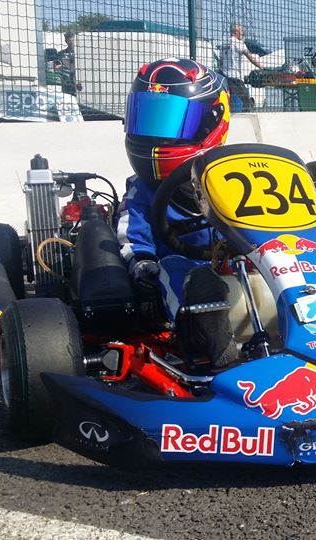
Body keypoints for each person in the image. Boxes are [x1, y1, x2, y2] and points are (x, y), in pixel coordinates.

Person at [118, 58, 239, 368]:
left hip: (235, 259)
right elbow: (132, 232)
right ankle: (208, 341)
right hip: (178, 266)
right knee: (181, 272)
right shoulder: (142, 188)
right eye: (147, 120)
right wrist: (141, 261)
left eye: (171, 122)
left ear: (212, 121)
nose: (155, 137)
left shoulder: (232, 177)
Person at [218, 22, 264, 112]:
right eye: (241, 31)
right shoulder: (239, 43)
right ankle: (247, 116)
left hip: (224, 76)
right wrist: (262, 67)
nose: (243, 33)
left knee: (227, 99)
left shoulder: (223, 44)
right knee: (246, 100)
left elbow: (221, 60)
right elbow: (251, 58)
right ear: (236, 31)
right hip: (235, 77)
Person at [57, 32, 80, 96]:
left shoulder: (81, 53)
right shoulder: (61, 54)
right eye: (69, 40)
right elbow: (57, 67)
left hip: (79, 83)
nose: (71, 42)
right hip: (67, 84)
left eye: (73, 40)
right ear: (66, 41)